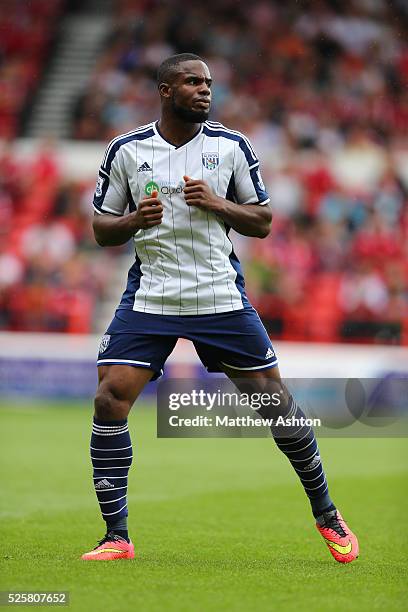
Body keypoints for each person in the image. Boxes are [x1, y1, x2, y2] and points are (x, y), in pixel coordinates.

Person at [81, 53, 358, 563]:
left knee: (275, 404)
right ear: (166, 90)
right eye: (193, 82)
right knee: (108, 400)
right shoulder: (126, 149)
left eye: (208, 83)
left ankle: (327, 514)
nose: (205, 90)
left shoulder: (231, 148)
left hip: (218, 296)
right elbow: (101, 227)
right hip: (152, 295)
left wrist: (219, 204)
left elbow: (263, 220)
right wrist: (133, 221)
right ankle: (116, 536)